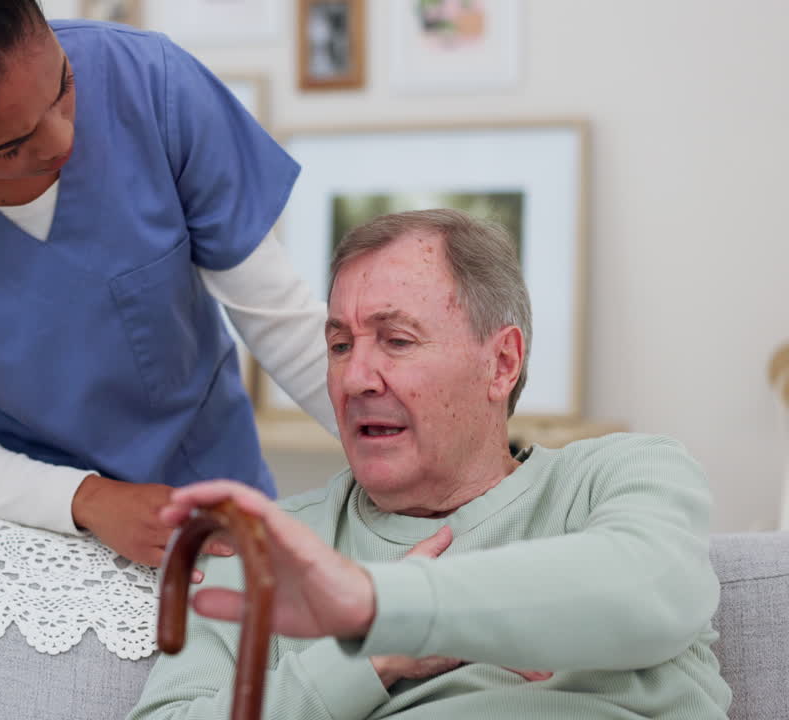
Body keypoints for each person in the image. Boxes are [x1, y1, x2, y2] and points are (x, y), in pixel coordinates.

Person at [129, 209, 732, 718]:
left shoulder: (620, 476)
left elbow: (652, 589)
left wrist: (390, 608)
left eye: (396, 339)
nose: (356, 378)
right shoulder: (267, 547)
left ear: (501, 364)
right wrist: (372, 657)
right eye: (340, 345)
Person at [0, 0, 334, 568]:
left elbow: (284, 324)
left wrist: (418, 463)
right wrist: (88, 500)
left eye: (63, 85)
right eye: (11, 146)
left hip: (210, 506)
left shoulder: (149, 84)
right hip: (21, 533)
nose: (61, 139)